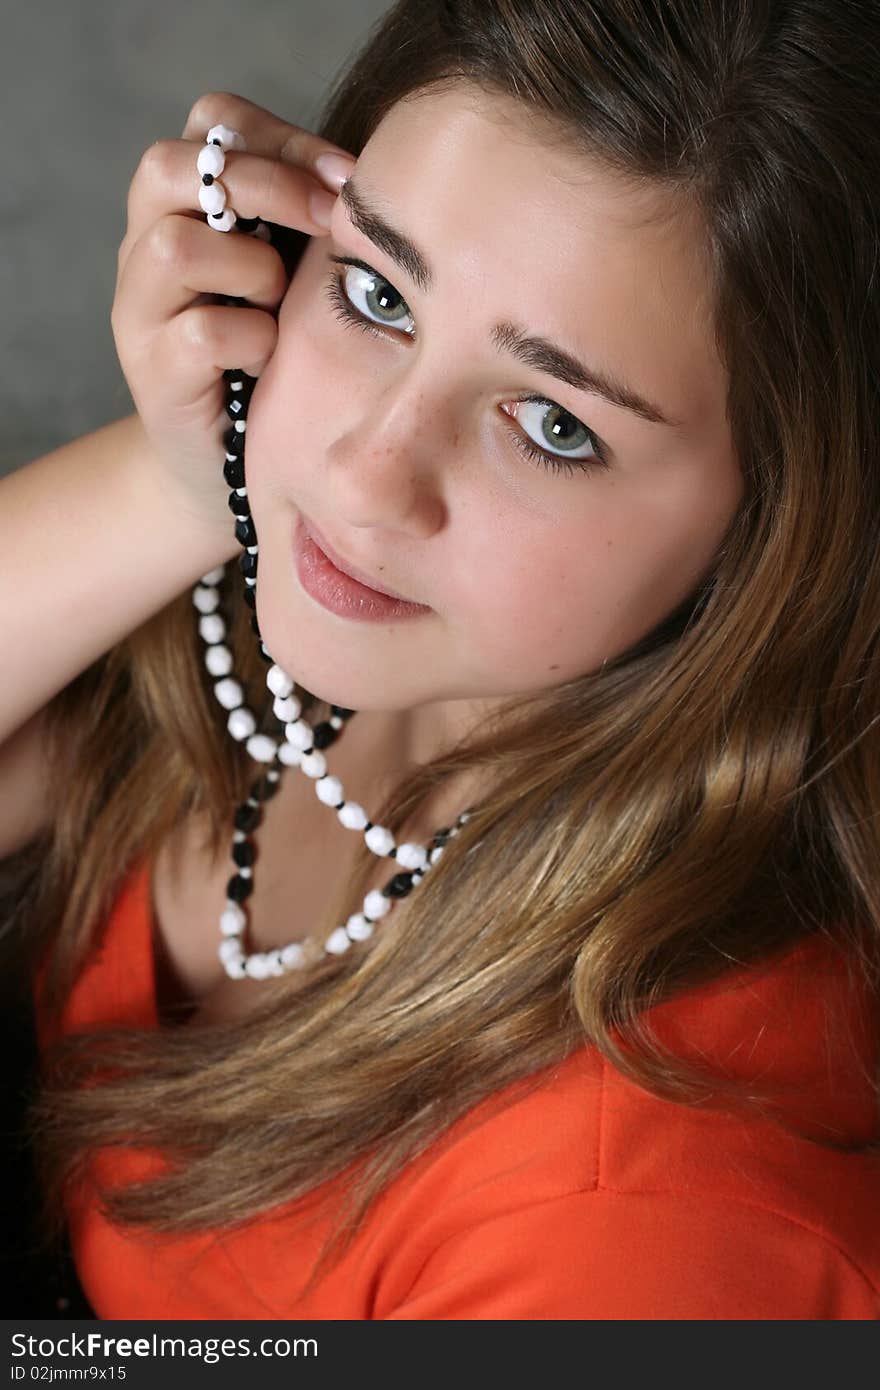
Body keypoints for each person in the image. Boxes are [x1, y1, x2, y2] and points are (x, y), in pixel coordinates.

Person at [2, 0, 879, 1319]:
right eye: (376, 292)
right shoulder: (279, 646)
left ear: (777, 528)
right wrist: (196, 483)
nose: (365, 475)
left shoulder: (642, 1227)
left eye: (553, 424)